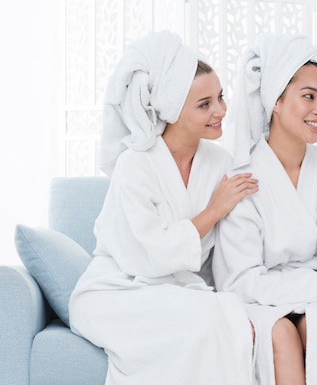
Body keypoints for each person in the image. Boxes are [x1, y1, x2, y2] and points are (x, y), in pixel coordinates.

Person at [69, 30, 258, 385]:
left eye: (220, 97)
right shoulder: (135, 165)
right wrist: (214, 209)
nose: (221, 110)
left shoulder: (219, 161)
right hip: (118, 290)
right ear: (172, 110)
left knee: (226, 312)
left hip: (177, 290)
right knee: (208, 317)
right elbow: (152, 254)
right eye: (204, 104)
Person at [212, 34, 317, 385]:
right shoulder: (244, 178)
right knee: (286, 330)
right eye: (309, 97)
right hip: (261, 299)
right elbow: (238, 280)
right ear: (276, 102)